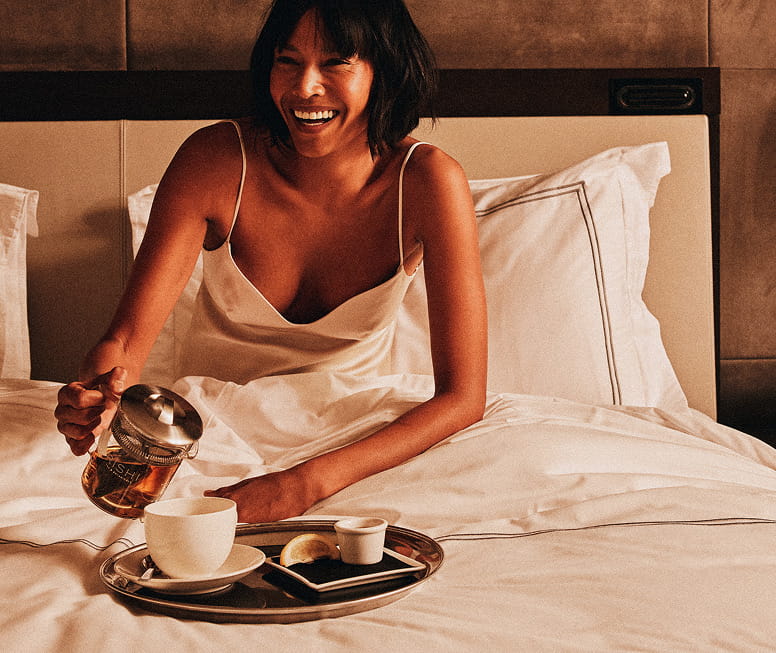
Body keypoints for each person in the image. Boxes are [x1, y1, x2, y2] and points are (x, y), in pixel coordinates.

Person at [55, 0, 487, 523]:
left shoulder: (428, 181)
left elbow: (463, 398)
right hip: (212, 432)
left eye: (335, 63)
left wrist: (304, 483)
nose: (304, 87)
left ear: (385, 70)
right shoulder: (215, 159)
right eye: (288, 61)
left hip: (355, 440)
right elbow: (123, 343)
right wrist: (93, 399)